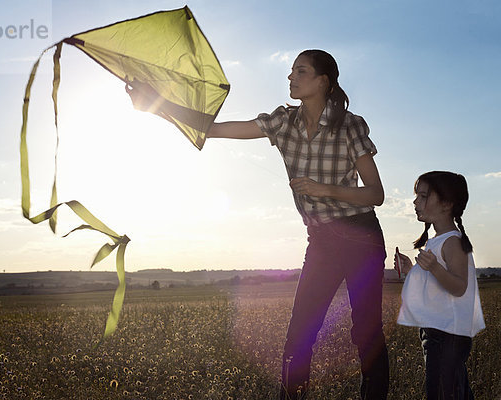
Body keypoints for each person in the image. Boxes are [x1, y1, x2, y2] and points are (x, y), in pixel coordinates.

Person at [126, 49, 389, 400]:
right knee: (300, 333)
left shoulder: (350, 124)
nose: (291, 77)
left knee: (366, 332)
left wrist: (322, 189)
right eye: (291, 71)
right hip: (322, 240)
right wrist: (157, 104)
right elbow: (214, 128)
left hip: (360, 235)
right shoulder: (283, 121)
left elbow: (376, 194)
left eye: (301, 70)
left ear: (323, 81)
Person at [395, 171, 485, 400]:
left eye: (423, 196)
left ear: (446, 204)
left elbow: (459, 287)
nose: (415, 202)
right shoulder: (438, 240)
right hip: (439, 331)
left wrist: (434, 267)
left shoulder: (452, 242)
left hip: (447, 335)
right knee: (454, 391)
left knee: (444, 393)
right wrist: (410, 271)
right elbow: (434, 285)